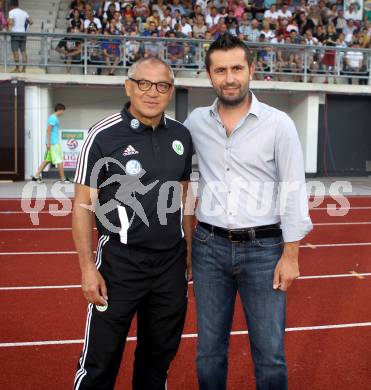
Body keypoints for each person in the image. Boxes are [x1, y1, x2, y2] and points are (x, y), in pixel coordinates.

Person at [184, 33, 313, 390]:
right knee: (209, 352)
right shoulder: (195, 122)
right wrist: (190, 244)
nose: (230, 78)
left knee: (270, 356)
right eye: (221, 70)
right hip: (209, 247)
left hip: (265, 251)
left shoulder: (279, 124)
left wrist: (291, 254)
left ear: (251, 70)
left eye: (237, 68)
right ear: (209, 75)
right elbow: (181, 181)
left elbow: (294, 190)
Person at [72, 57, 193, 389]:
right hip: (119, 265)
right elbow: (82, 207)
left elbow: (184, 196)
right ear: (128, 86)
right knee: (100, 362)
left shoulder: (181, 135)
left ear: (171, 91)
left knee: (157, 361)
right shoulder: (103, 136)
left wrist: (189, 250)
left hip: (170, 266)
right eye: (144, 83)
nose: (152, 92)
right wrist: (86, 268)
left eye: (162, 86)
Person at [32, 103, 71, 183]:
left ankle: (36, 176)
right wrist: (49, 142)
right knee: (59, 160)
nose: (63, 113)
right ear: (59, 110)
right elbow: (49, 130)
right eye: (63, 111)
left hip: (52, 142)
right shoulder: (53, 118)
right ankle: (63, 179)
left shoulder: (53, 117)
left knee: (46, 160)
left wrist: (47, 142)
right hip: (53, 143)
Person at [7, 0, 33, 73]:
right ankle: (24, 69)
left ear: (11, 5)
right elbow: (31, 21)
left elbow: (11, 23)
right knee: (23, 51)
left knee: (15, 51)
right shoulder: (24, 12)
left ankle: (17, 69)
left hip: (15, 33)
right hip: (23, 34)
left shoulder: (11, 12)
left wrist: (9, 22)